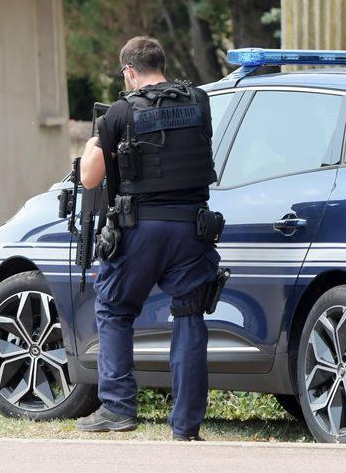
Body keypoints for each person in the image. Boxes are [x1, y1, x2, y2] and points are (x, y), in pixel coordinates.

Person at [74, 36, 220, 442]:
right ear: (162, 64)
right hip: (193, 227)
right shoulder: (199, 102)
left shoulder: (120, 113)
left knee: (115, 309)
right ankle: (186, 427)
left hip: (142, 227)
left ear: (129, 72)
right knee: (190, 315)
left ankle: (118, 408)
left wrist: (93, 143)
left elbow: (90, 177)